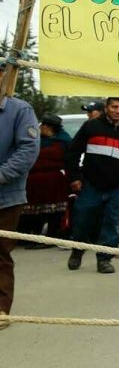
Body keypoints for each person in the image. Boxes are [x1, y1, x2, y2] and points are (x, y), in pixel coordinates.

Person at [65, 97, 119, 274]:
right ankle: (77, 250)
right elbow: (73, 152)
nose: (118, 111)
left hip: (116, 188)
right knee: (83, 219)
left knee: (111, 223)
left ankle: (104, 259)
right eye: (114, 107)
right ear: (107, 108)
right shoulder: (91, 127)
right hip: (90, 185)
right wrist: (75, 177)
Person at [0, 95, 40, 328]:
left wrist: (1, 175)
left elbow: (28, 149)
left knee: (0, 253)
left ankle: (1, 308)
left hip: (6, 198)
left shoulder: (20, 110)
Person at [19, 112, 70, 243]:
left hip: (54, 182)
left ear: (48, 128)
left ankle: (51, 237)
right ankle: (31, 237)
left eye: (43, 125)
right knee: (33, 212)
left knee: (53, 212)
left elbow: (69, 160)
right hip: (33, 182)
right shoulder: (35, 140)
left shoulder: (64, 142)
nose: (40, 127)